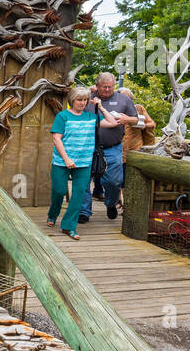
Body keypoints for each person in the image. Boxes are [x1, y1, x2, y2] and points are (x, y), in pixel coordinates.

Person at [49, 86, 122, 239]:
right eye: (79, 100)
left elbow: (113, 122)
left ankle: (69, 226)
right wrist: (67, 159)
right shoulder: (62, 117)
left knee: (79, 194)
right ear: (72, 100)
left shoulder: (91, 118)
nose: (82, 103)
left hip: (84, 163)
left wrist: (100, 107)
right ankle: (53, 213)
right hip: (62, 161)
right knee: (59, 191)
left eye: (85, 100)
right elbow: (56, 138)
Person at [79, 72, 138, 222]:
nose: (107, 90)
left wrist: (126, 119)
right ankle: (84, 211)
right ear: (96, 86)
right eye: (104, 87)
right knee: (84, 179)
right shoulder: (86, 100)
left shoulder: (123, 99)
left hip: (113, 148)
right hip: (88, 147)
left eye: (110, 87)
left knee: (113, 181)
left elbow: (135, 120)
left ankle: (111, 203)